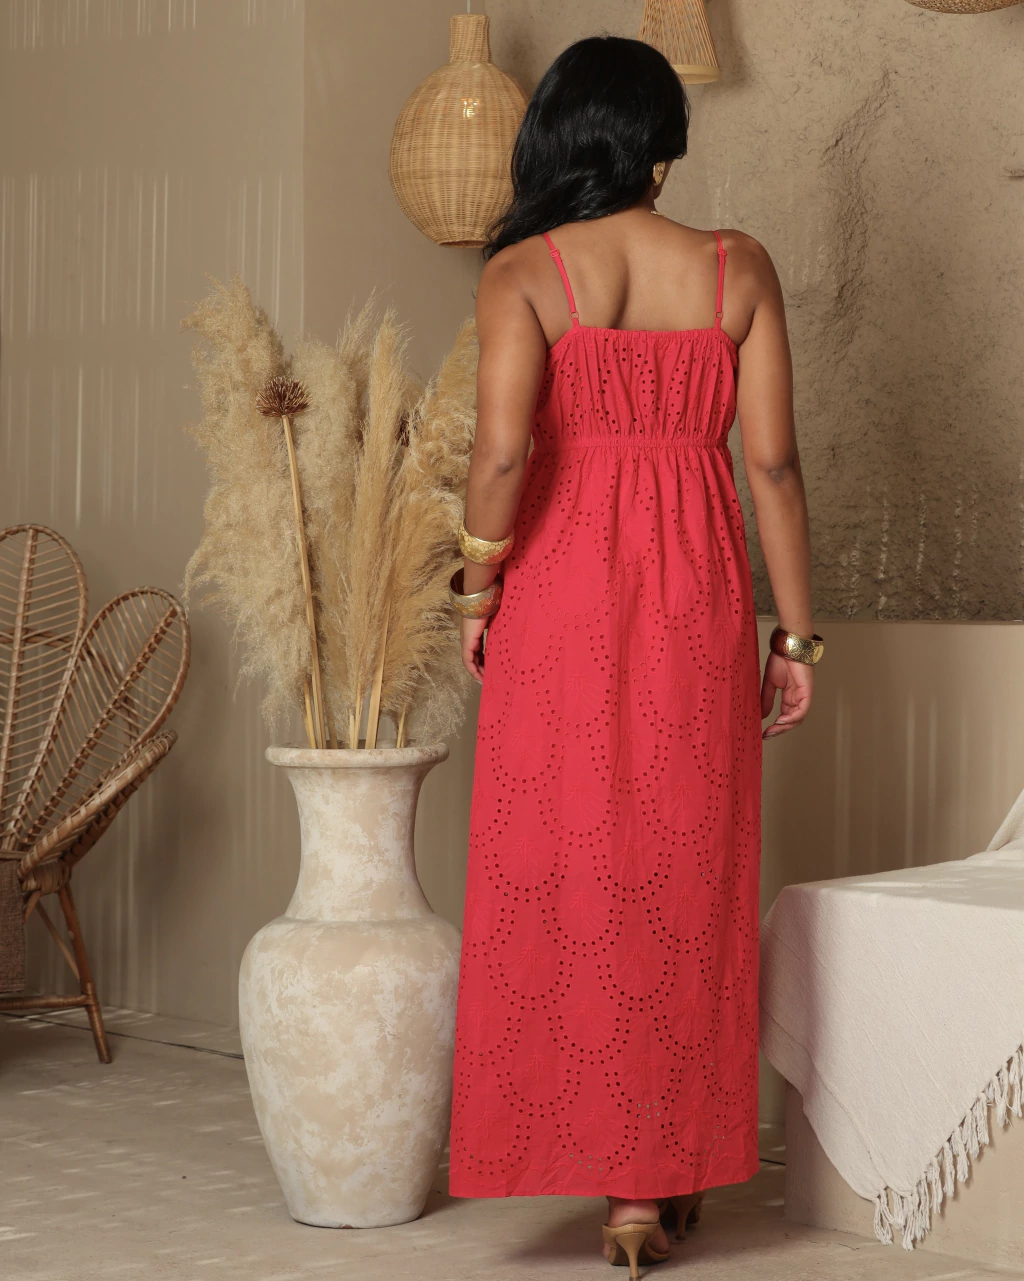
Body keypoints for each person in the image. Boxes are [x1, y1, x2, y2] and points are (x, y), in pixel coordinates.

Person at [446, 33, 819, 1278]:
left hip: (557, 591)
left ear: (556, 140)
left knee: (563, 865)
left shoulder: (523, 272)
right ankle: (652, 1179)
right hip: (694, 596)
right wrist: (795, 633)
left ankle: (608, 1172)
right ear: (662, 149)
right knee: (681, 866)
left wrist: (474, 588)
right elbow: (772, 465)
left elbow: (502, 456)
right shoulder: (736, 268)